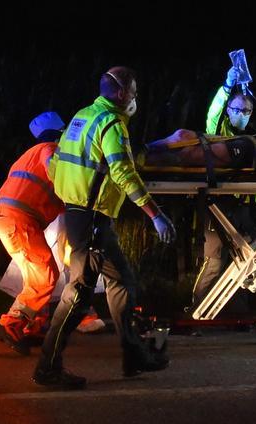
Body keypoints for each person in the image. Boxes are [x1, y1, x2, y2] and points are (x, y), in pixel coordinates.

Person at [32, 66, 176, 389]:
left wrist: (74, 197)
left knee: (122, 280)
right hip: (92, 219)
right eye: (135, 92)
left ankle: (133, 353)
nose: (136, 99)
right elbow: (124, 174)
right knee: (79, 294)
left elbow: (56, 166)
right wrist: (155, 214)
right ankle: (47, 366)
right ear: (124, 94)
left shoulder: (81, 118)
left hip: (79, 215)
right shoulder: (112, 124)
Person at [0, 112, 68, 355]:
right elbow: (56, 174)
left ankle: (31, 326)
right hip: (21, 221)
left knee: (35, 277)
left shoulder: (27, 155)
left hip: (10, 220)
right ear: (61, 133)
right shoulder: (50, 149)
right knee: (46, 275)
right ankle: (12, 324)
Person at [193, 65, 256, 311]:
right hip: (220, 207)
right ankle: (198, 310)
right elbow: (213, 112)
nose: (242, 114)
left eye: (247, 111)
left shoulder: (255, 137)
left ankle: (240, 314)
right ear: (229, 111)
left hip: (244, 210)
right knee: (214, 262)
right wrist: (226, 86)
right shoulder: (217, 132)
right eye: (237, 110)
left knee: (247, 263)